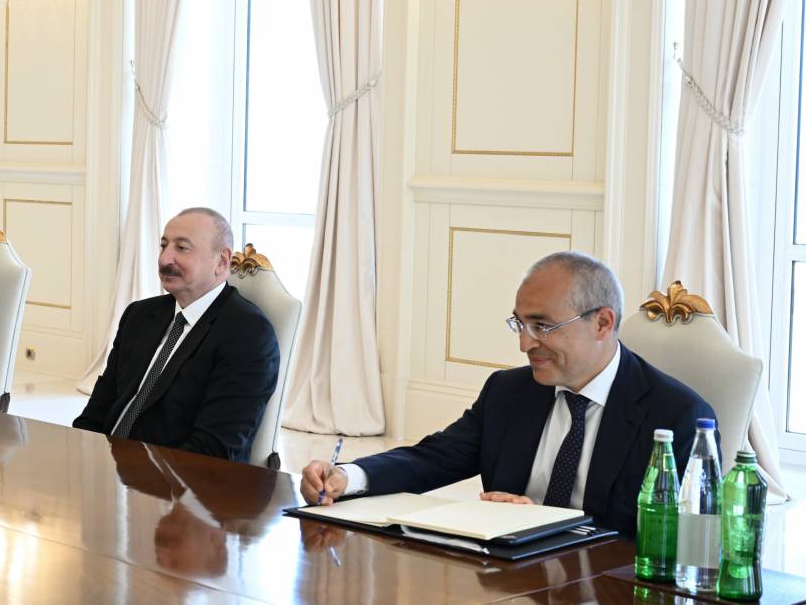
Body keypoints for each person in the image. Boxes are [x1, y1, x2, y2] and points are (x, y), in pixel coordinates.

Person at [299, 251, 716, 538]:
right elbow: (432, 458)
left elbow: (673, 542)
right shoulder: (509, 392)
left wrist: (550, 527)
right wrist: (348, 477)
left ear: (602, 324)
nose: (525, 344)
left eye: (543, 327)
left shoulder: (676, 417)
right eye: (520, 324)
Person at [74, 207, 280, 462]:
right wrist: (82, 459)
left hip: (174, 480)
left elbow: (212, 450)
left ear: (222, 262)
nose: (164, 259)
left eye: (182, 248)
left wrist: (129, 473)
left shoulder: (247, 334)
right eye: (164, 245)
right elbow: (97, 410)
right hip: (105, 467)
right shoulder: (139, 315)